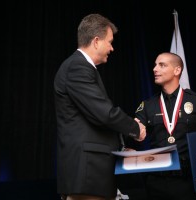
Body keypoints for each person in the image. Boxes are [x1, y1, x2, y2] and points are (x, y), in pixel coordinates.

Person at [54, 13, 146, 200]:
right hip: (87, 174)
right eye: (110, 42)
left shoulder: (81, 67)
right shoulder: (77, 67)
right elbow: (104, 114)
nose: (111, 48)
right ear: (96, 41)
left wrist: (120, 147)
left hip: (91, 175)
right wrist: (135, 128)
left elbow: (93, 120)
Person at [132, 52, 196, 200]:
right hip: (155, 182)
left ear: (177, 70)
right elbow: (135, 132)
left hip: (188, 182)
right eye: (155, 65)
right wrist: (133, 129)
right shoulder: (148, 105)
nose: (155, 69)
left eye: (162, 65)